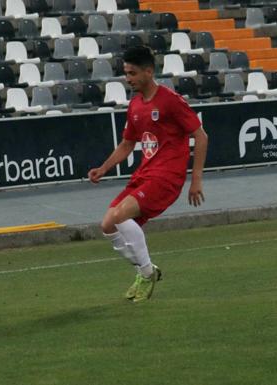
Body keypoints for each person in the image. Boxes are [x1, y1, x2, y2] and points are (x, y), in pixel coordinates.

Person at [88, 46, 208, 302]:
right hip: (145, 173)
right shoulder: (135, 105)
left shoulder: (170, 101)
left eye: (132, 73)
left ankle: (145, 274)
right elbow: (127, 144)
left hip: (167, 176)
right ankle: (146, 271)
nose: (127, 78)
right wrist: (104, 168)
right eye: (125, 73)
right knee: (108, 224)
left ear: (148, 72)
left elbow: (200, 135)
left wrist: (195, 179)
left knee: (120, 216)